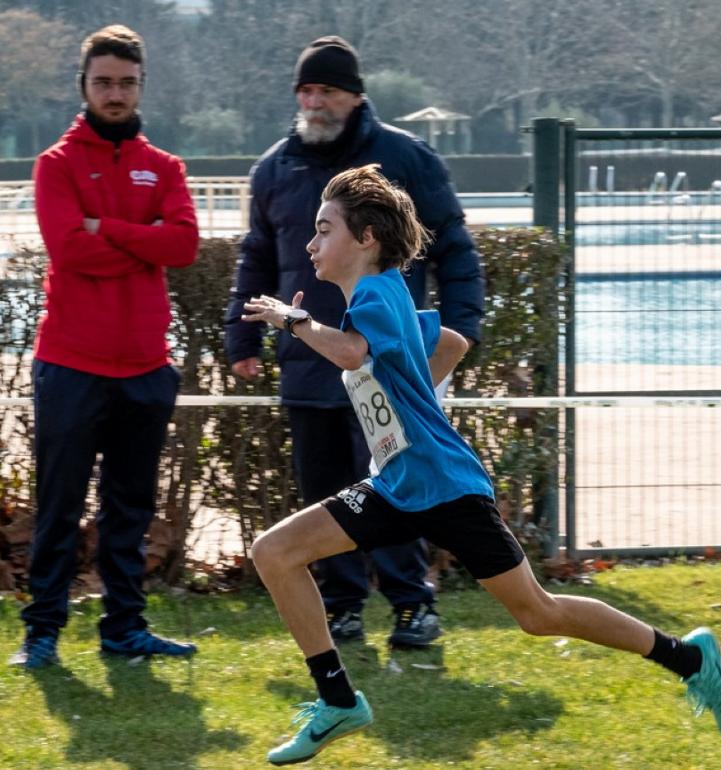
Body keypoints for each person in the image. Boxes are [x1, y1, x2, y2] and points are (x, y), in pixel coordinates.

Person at [242, 165, 721, 765]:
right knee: (276, 552)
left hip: (446, 488)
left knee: (538, 613)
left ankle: (688, 657)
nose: (310, 244)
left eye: (324, 230)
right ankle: (338, 702)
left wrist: (294, 321)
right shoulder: (388, 293)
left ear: (367, 237)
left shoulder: (375, 294)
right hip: (398, 485)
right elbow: (449, 342)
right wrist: (415, 408)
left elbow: (352, 353)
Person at [225, 35, 484, 648]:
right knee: (325, 492)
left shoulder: (406, 158)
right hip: (307, 364)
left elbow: (453, 246)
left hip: (381, 366)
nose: (315, 102)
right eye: (306, 91)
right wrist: (241, 336)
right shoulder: (275, 167)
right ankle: (342, 607)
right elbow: (256, 254)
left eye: (328, 91)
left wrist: (462, 328)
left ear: (355, 97)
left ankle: (412, 604)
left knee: (395, 485)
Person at [10, 24, 199, 669]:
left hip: (146, 365)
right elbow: (70, 251)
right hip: (70, 363)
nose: (114, 94)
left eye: (126, 82)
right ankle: (42, 632)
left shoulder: (165, 167)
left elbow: (184, 246)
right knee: (59, 506)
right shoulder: (57, 164)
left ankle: (125, 629)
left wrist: (107, 229)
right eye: (103, 82)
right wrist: (142, 242)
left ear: (141, 85)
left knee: (130, 509)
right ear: (84, 86)